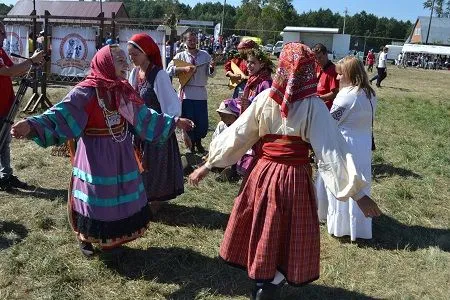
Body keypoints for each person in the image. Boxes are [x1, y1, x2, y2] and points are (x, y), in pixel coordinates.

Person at [188, 43, 381, 299]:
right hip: (292, 177)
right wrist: (358, 194)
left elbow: (238, 135)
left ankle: (264, 282)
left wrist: (209, 164)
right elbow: (331, 150)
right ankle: (269, 283)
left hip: (263, 174)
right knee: (283, 231)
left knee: (267, 227)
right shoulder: (311, 105)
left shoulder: (266, 99)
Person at [10, 44, 193, 256]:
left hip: (121, 153)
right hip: (94, 156)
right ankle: (86, 237)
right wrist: (32, 125)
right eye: (120, 60)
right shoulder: (86, 92)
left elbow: (144, 116)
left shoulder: (122, 90)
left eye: (126, 59)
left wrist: (174, 121)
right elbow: (60, 114)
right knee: (94, 197)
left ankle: (113, 238)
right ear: (106, 63)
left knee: (117, 195)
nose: (126, 64)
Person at [320, 56, 377, 241]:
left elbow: (330, 122)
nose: (336, 79)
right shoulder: (370, 94)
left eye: (339, 74)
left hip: (346, 146)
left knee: (343, 181)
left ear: (349, 75)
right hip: (362, 145)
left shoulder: (346, 96)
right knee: (360, 181)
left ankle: (341, 226)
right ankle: (357, 226)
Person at [127, 33, 184, 213]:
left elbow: (172, 107)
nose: (131, 58)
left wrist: (165, 126)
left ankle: (155, 202)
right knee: (140, 166)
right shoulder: (135, 73)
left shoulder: (159, 76)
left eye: (134, 54)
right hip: (139, 129)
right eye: (130, 54)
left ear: (146, 52)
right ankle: (141, 199)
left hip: (157, 131)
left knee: (154, 167)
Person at [0, 22, 45, 191]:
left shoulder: (0, 51)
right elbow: (8, 72)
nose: (4, 36)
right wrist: (31, 60)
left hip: (5, 106)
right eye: (1, 33)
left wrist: (31, 63)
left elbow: (13, 69)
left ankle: (5, 176)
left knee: (4, 143)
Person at [167, 31, 215, 154]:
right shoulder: (180, 56)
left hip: (200, 93)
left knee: (201, 121)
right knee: (189, 120)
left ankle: (198, 143)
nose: (193, 42)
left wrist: (212, 67)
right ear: (184, 41)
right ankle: (191, 144)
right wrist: (183, 69)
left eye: (194, 40)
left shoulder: (204, 55)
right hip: (187, 93)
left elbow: (211, 74)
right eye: (190, 40)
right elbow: (169, 70)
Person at [313, 43, 339, 110]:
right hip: (317, 106)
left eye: (320, 57)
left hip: (326, 109)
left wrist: (319, 98)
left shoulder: (333, 70)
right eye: (315, 58)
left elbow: (335, 93)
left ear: (326, 54)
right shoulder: (317, 67)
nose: (318, 60)